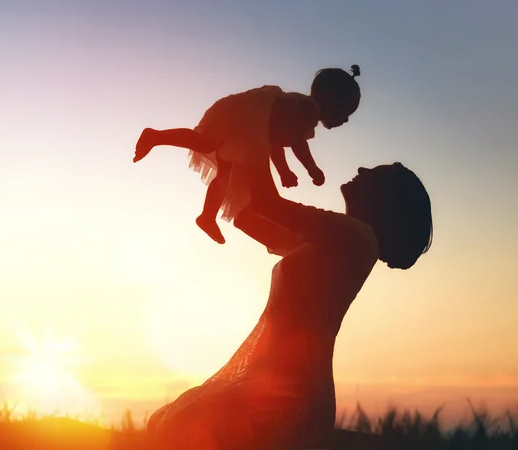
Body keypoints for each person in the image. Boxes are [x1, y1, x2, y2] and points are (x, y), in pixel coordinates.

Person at [143, 161, 433, 450]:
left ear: (387, 200)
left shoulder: (357, 236)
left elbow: (267, 203)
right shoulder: (331, 242)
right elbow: (248, 216)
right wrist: (231, 163)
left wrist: (258, 130)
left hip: (293, 390)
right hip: (279, 382)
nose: (361, 170)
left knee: (183, 429)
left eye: (375, 173)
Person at [133, 66, 362, 244]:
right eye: (345, 112)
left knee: (218, 164)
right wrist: (312, 169)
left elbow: (274, 142)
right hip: (245, 125)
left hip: (244, 126)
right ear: (332, 100)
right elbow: (295, 142)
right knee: (213, 151)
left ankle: (207, 215)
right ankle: (156, 136)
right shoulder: (309, 110)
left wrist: (284, 171)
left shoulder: (300, 112)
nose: (346, 120)